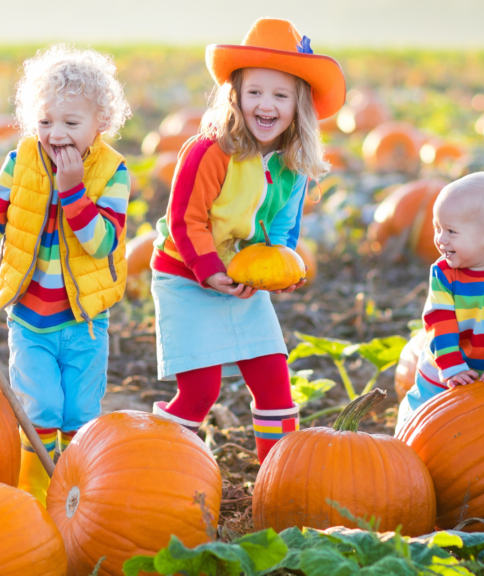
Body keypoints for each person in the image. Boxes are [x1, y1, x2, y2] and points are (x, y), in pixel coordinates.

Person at [0, 44, 132, 503]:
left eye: (71, 124)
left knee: (79, 413)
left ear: (101, 125)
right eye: (45, 121)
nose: (55, 134)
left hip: (85, 322)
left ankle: (76, 496)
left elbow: (102, 243)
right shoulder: (21, 162)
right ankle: (34, 497)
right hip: (31, 320)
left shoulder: (113, 173)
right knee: (40, 408)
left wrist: (73, 192)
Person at [148, 18, 346, 462]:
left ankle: (278, 477)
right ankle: (156, 461)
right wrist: (210, 272)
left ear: (300, 106)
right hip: (186, 273)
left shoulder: (293, 165)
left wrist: (281, 272)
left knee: (274, 376)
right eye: (255, 92)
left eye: (280, 95)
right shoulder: (210, 151)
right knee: (201, 390)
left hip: (243, 276)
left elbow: (279, 235)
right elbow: (186, 220)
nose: (266, 105)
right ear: (234, 96)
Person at [395, 172, 484, 431]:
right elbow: (439, 322)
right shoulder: (443, 272)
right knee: (421, 418)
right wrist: (450, 365)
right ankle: (404, 448)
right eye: (437, 228)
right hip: (443, 368)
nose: (440, 239)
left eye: (451, 231)